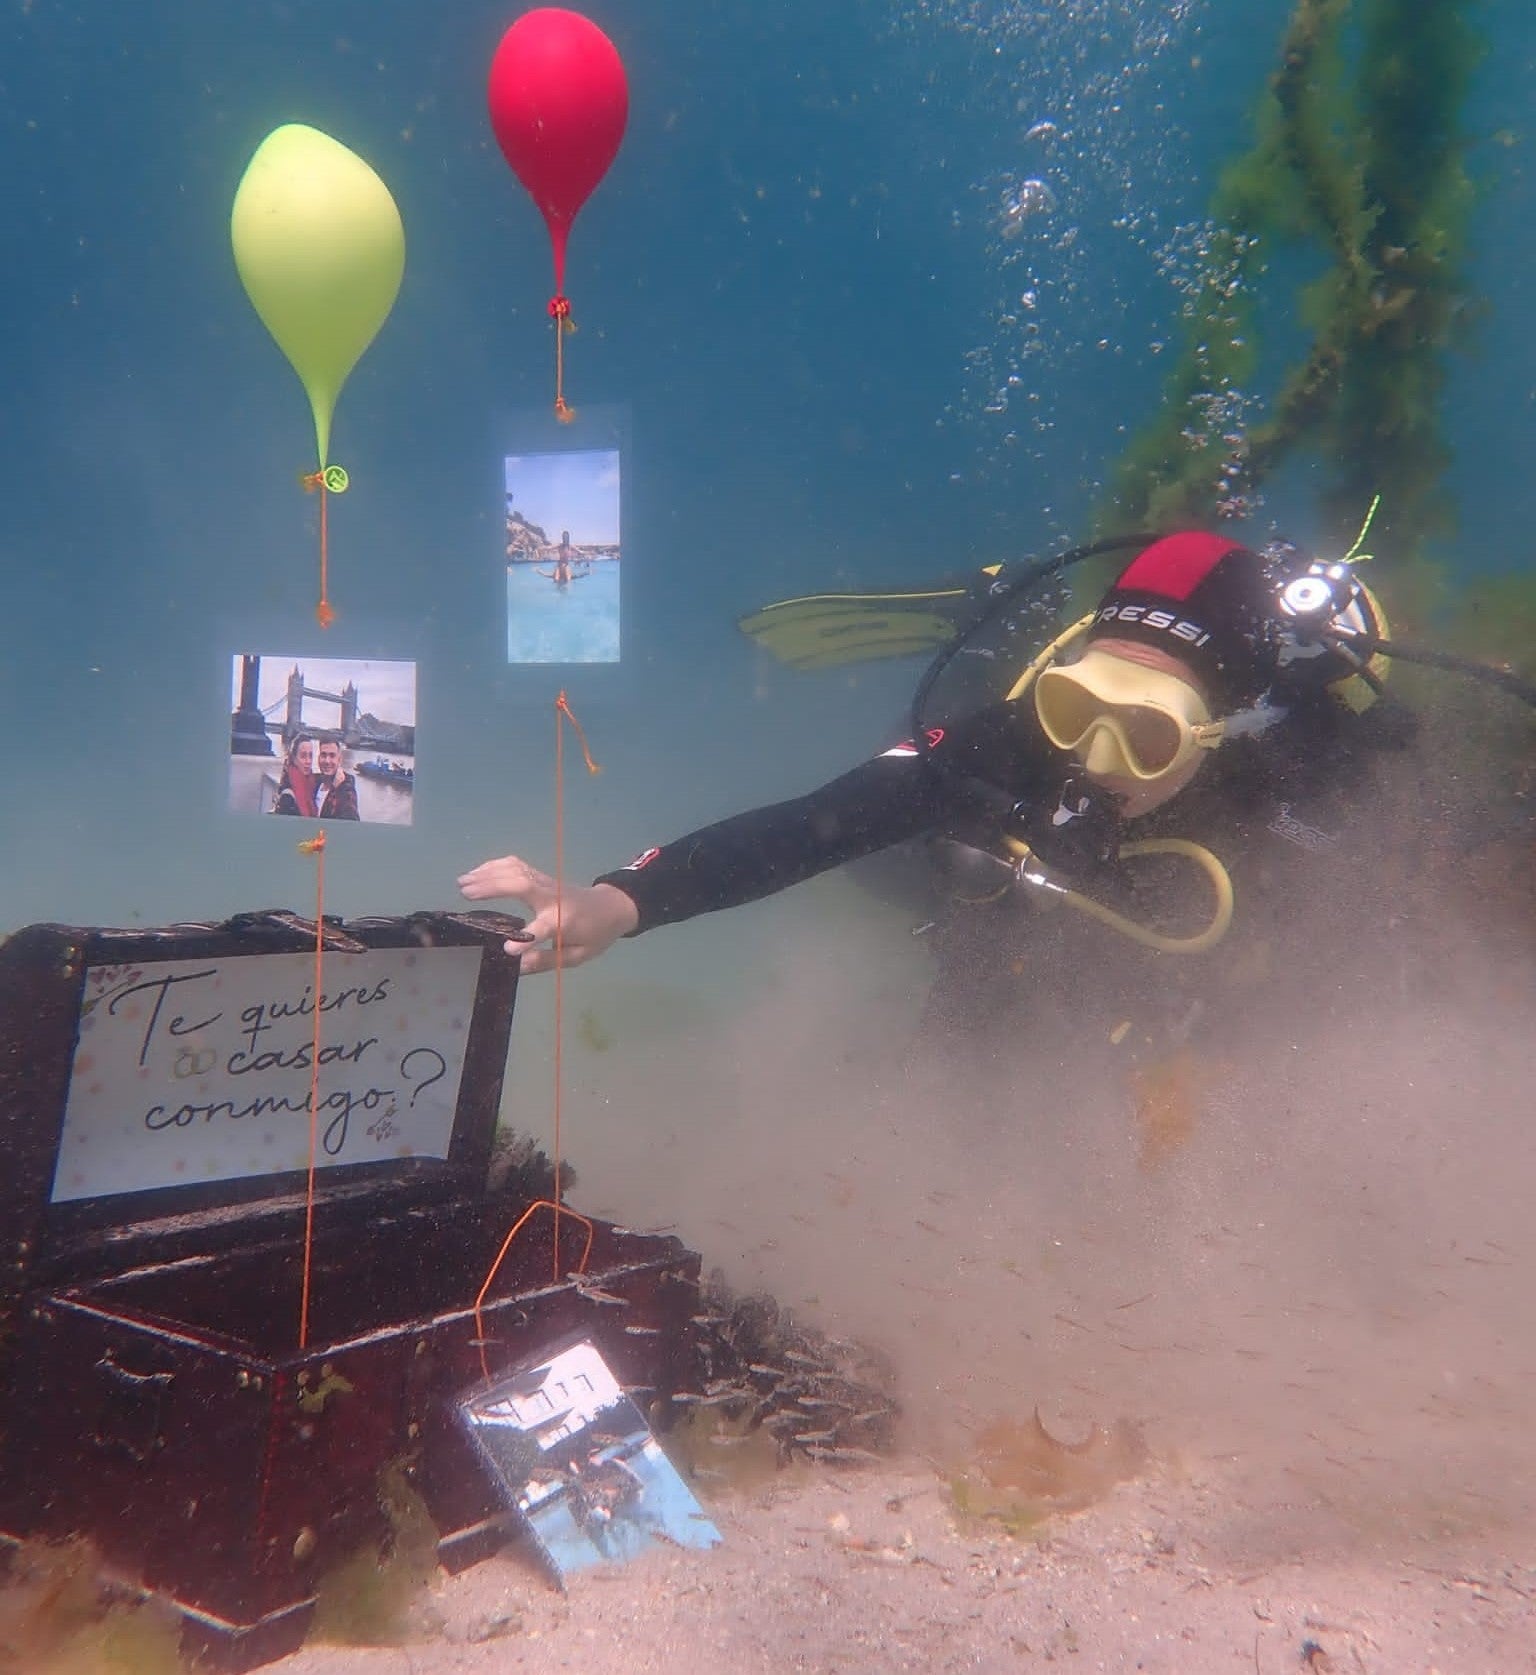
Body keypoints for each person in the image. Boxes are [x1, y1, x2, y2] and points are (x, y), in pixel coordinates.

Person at [458, 531, 1431, 1050]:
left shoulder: (1289, 786)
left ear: (1225, 734)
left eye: (1145, 733)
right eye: (1075, 705)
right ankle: (990, 619)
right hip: (995, 888)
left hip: (1167, 974)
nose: (1094, 759)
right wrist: (619, 901)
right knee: (932, 878)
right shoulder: (1018, 742)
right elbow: (814, 825)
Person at [314, 738, 361, 821]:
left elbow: (351, 820)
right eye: (323, 755)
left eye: (332, 756)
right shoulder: (314, 782)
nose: (327, 761)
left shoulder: (346, 787)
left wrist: (334, 789)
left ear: (339, 760)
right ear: (318, 758)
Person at [271, 735, 317, 818]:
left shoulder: (312, 784)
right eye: (303, 756)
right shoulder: (288, 795)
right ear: (294, 759)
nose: (308, 761)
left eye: (310, 756)